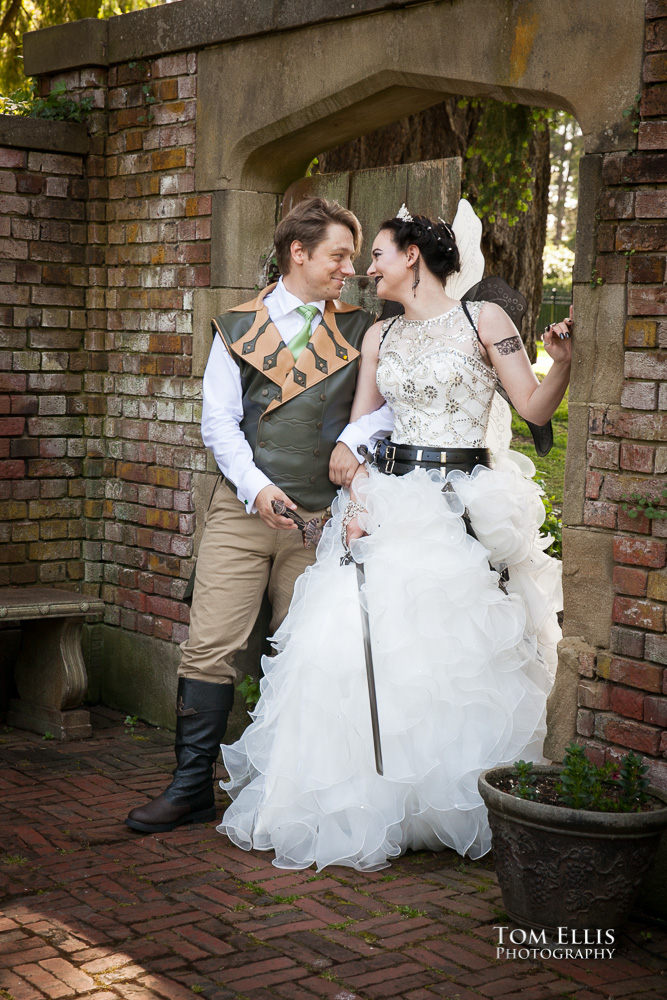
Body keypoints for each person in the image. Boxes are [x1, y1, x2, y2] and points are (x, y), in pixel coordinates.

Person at [217, 207, 573, 870]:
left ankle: (447, 801)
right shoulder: (379, 336)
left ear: (411, 254)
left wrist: (561, 364)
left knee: (454, 656)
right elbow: (361, 432)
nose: (365, 267)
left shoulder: (484, 321)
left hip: (465, 501)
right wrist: (356, 498)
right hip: (394, 496)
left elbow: (531, 408)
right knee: (351, 645)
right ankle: (371, 803)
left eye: (376, 253)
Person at [125, 198, 386, 834]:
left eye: (352, 257)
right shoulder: (236, 325)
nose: (348, 268)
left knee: (305, 656)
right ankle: (190, 789)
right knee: (210, 646)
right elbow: (218, 422)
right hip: (245, 512)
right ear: (299, 252)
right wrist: (255, 486)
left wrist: (357, 441)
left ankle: (285, 793)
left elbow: (387, 406)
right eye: (338, 255)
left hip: (322, 521)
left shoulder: (361, 328)